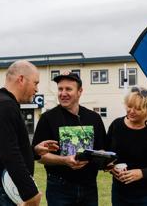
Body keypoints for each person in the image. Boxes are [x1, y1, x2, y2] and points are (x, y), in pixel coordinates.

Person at [0, 60, 58, 206]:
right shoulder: (5, 106)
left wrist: (34, 151)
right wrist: (31, 193)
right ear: (21, 79)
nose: (36, 89)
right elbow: (10, 154)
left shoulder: (4, 103)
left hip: (1, 190)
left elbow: (4, 147)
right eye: (35, 83)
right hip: (0, 191)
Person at [32, 71, 106, 206]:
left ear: (80, 91)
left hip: (88, 187)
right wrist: (64, 160)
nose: (63, 93)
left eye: (68, 89)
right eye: (60, 89)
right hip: (59, 187)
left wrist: (105, 160)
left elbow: (101, 149)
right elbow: (39, 156)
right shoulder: (47, 118)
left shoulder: (93, 118)